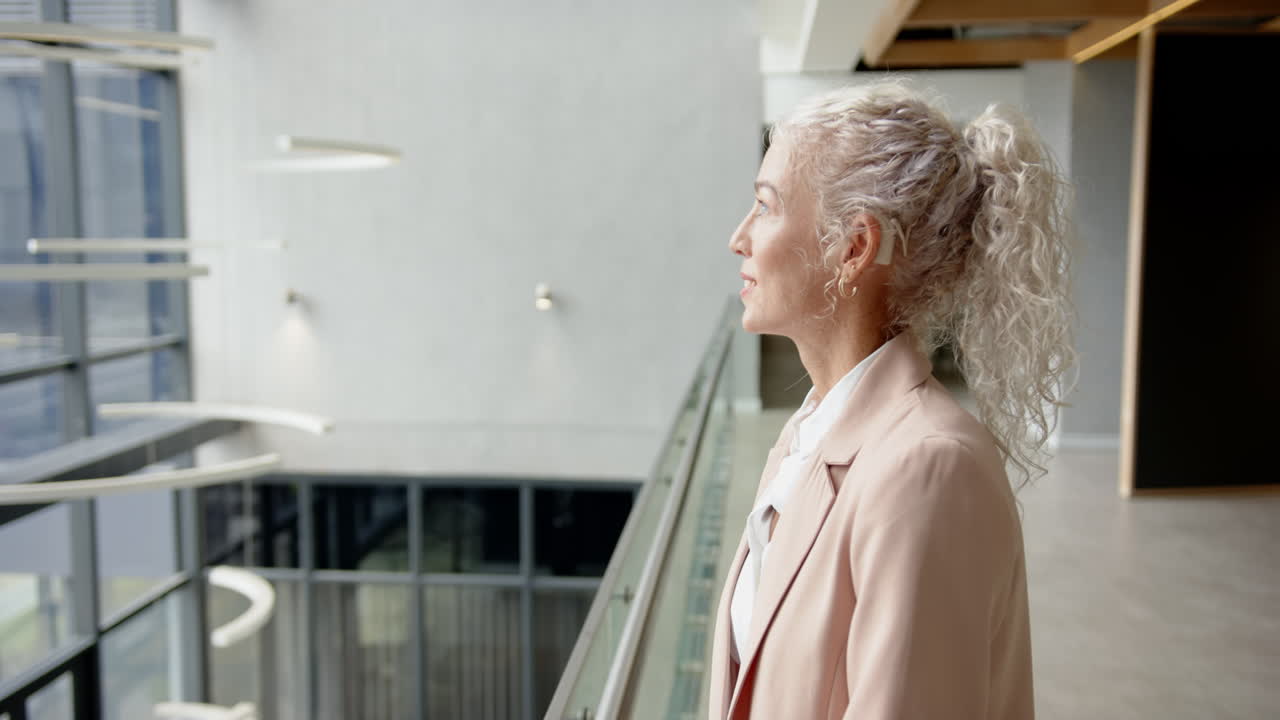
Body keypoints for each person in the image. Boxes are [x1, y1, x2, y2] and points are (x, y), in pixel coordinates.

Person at [708, 82, 1074, 720]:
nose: (739, 237)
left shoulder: (927, 467)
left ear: (854, 247)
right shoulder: (810, 433)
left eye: (765, 206)